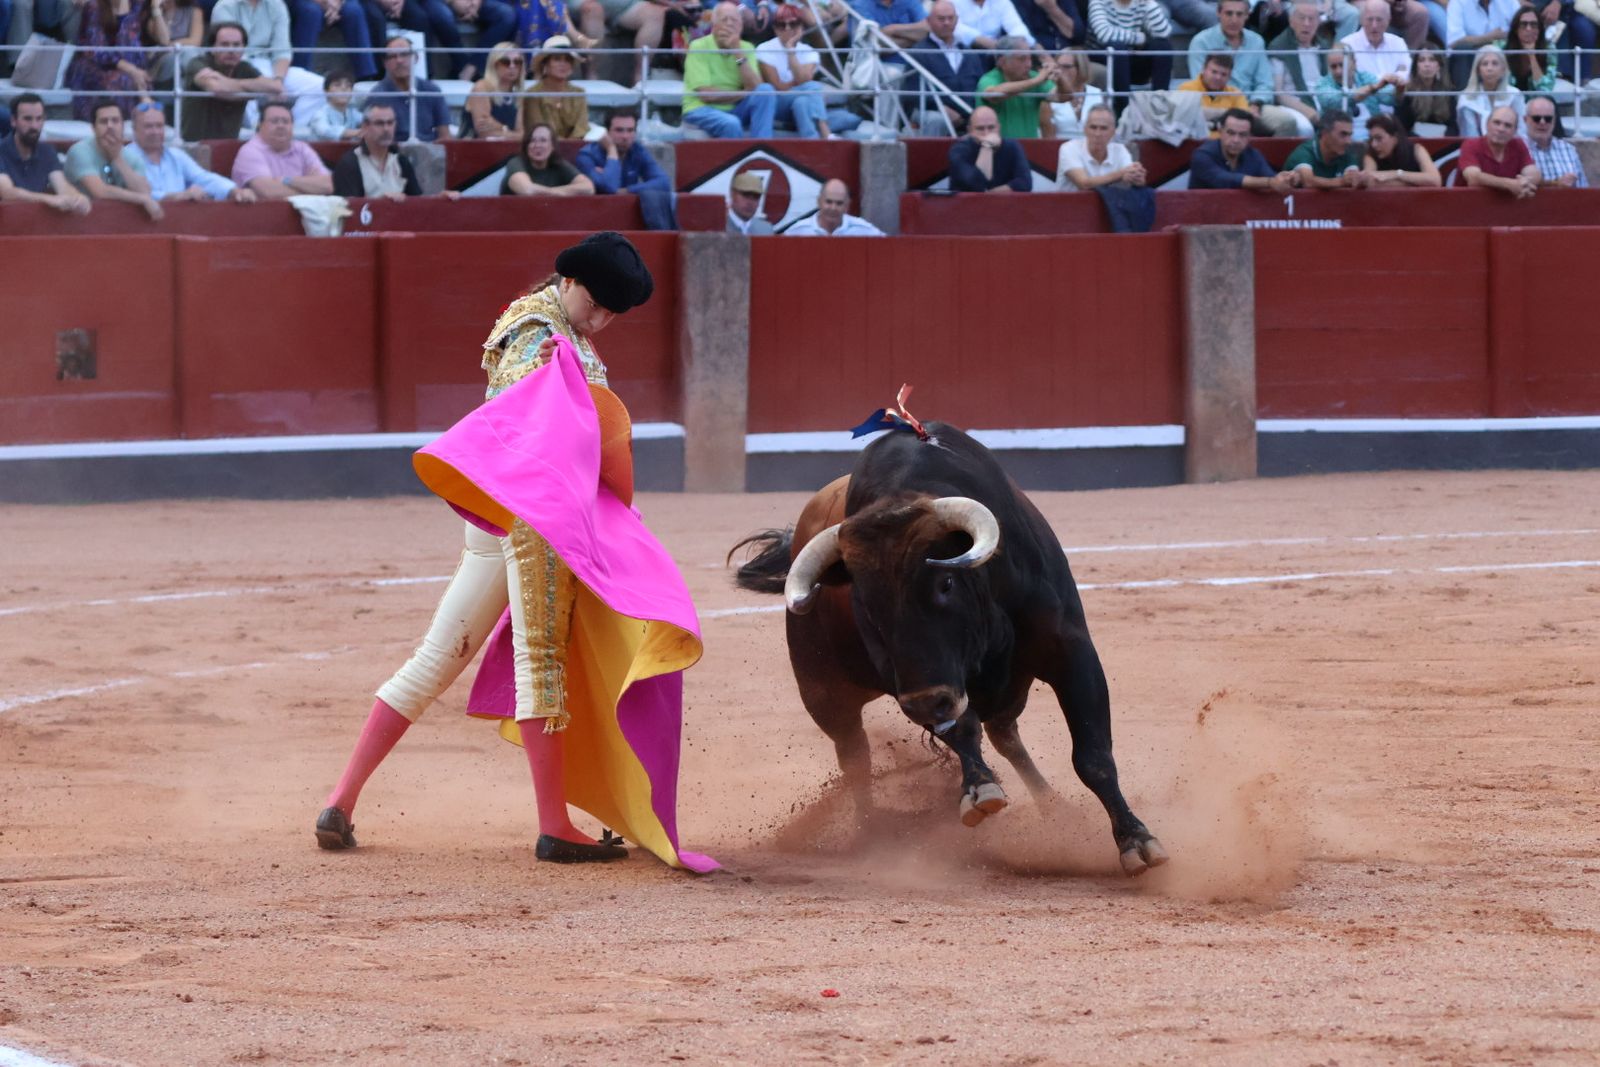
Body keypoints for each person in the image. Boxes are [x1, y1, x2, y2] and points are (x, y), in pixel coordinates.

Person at [315, 232, 716, 872]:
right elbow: (525, 409)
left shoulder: (553, 328)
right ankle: (554, 827)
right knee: (540, 661)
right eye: (596, 303)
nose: (601, 319)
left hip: (503, 519)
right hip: (535, 517)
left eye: (613, 313)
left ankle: (339, 801)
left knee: (437, 657)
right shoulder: (538, 332)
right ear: (568, 281)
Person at [1186, 0, 1299, 135]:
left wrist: (1255, 104)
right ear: (1218, 13)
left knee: (1286, 122)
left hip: (1252, 105)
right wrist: (1236, 109)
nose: (1234, 20)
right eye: (1229, 13)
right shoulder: (1201, 42)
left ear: (1247, 15)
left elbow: (1265, 83)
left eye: (1239, 14)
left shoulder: (1256, 41)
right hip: (1215, 106)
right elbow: (1201, 82)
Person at [757, 4, 861, 139]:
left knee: (802, 102)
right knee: (813, 87)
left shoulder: (809, 51)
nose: (787, 28)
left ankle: (812, 141)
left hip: (799, 103)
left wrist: (790, 51)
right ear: (775, 28)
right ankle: (825, 131)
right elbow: (779, 88)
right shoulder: (763, 49)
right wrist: (800, 85)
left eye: (793, 24)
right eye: (781, 25)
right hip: (776, 103)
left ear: (801, 27)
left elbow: (802, 80)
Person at [124, 98, 257, 201]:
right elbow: (136, 194)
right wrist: (177, 197)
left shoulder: (176, 155)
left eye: (159, 126)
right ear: (134, 129)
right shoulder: (125, 157)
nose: (155, 132)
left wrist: (234, 191)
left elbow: (204, 178)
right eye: (148, 126)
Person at [681, 2, 777, 138]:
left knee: (766, 90)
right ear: (714, 25)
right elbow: (707, 95)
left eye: (734, 20)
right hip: (701, 108)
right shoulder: (698, 46)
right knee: (731, 123)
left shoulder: (746, 47)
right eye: (724, 19)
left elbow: (756, 88)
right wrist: (744, 93)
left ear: (741, 26)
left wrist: (737, 52)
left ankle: (762, 146)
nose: (729, 24)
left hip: (735, 108)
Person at [179, 21, 282, 142]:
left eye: (236, 45)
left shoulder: (244, 67)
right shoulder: (197, 64)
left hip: (229, 145)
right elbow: (218, 89)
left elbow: (275, 87)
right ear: (212, 48)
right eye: (225, 44)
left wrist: (226, 81)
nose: (231, 50)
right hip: (195, 145)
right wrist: (249, 89)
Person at [64, 99, 163, 219]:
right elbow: (99, 191)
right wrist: (142, 199)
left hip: (119, 221)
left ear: (123, 126)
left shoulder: (131, 156)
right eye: (103, 121)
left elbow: (144, 191)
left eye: (115, 121)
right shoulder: (80, 151)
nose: (110, 126)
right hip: (79, 221)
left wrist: (117, 158)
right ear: (93, 128)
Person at [64, 0, 161, 121]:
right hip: (93, 64)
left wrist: (136, 72)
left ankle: (142, 121)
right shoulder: (94, 6)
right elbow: (96, 49)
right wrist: (131, 70)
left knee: (144, 80)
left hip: (128, 63)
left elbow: (134, 44)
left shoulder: (137, 5)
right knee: (121, 81)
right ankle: (119, 124)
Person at [0, 93, 92, 213]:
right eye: (27, 119)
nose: (34, 126)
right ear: (13, 121)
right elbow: (7, 192)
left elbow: (62, 185)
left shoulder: (47, 151)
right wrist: (48, 199)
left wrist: (77, 198)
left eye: (39, 119)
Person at [231, 98, 334, 198]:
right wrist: (311, 189)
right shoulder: (250, 151)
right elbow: (269, 192)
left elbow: (328, 185)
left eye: (286, 121)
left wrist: (287, 180)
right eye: (274, 121)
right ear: (260, 125)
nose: (281, 126)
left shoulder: (302, 148)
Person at [910, 0, 986, 134]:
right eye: (941, 19)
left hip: (969, 117)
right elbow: (912, 93)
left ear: (957, 20)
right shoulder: (918, 52)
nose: (946, 22)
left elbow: (980, 86)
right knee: (936, 119)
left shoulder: (969, 54)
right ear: (928, 21)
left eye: (950, 18)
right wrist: (942, 109)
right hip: (935, 114)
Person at [1086, 0, 1173, 112]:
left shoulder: (1142, 3)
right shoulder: (1099, 2)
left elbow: (1163, 33)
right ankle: (1124, 108)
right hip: (1105, 60)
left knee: (1162, 45)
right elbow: (1105, 35)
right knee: (1118, 48)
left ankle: (1159, 103)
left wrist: (1150, 3)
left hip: (1130, 61)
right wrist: (1140, 38)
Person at [368, 34, 452, 143]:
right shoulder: (377, 95)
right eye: (392, 56)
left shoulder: (432, 90)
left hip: (429, 149)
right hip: (393, 151)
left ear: (416, 58)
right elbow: (372, 138)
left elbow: (445, 136)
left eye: (404, 54)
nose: (399, 60)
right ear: (385, 63)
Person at [1189, 106, 1297, 189]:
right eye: (1230, 133)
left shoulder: (1253, 155)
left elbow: (1272, 178)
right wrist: (1269, 182)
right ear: (1220, 131)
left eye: (1243, 135)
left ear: (1250, 136)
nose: (1236, 140)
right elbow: (1224, 179)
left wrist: (1286, 179)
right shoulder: (1202, 155)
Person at [1267, 0, 1333, 138]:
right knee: (1305, 128)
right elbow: (1279, 94)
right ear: (1291, 21)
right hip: (1293, 104)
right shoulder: (1279, 47)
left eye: (1311, 19)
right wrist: (1309, 112)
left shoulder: (1324, 47)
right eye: (1302, 18)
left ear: (1318, 22)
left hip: (1323, 101)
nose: (1306, 24)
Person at [331, 102, 424, 198]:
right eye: (379, 123)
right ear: (365, 127)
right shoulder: (350, 163)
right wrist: (382, 202)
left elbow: (418, 201)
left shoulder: (401, 161)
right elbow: (349, 205)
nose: (386, 129)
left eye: (390, 123)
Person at [976, 35, 1058, 139]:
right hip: (996, 146)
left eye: (1030, 58)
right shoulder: (989, 79)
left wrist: (1059, 76)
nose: (1029, 64)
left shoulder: (1033, 76)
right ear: (1002, 61)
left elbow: (1062, 97)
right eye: (1022, 59)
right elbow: (994, 94)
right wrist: (1036, 81)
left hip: (1029, 147)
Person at [1313, 39, 1398, 132]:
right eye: (1333, 67)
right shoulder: (1322, 84)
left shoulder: (1365, 77)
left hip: (1371, 137)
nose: (1338, 71)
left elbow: (1391, 99)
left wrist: (1400, 87)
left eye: (1342, 65)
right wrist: (1372, 88)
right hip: (1337, 138)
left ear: (1354, 63)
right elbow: (1336, 101)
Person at [1056, 103, 1144, 189]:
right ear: (1085, 129)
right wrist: (1122, 173)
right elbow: (1083, 184)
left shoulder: (1120, 150)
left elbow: (1135, 178)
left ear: (1113, 132)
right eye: (1093, 127)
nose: (1097, 134)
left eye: (1103, 128)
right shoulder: (1069, 148)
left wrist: (1136, 176)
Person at [1460, 103, 1538, 196]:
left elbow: (1533, 172)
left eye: (1507, 125)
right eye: (1496, 123)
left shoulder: (1518, 144)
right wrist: (1509, 184)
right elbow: (1473, 177)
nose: (1501, 129)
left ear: (1515, 131)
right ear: (1487, 124)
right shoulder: (1471, 144)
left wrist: (1524, 183)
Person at [948, 104, 1031, 191]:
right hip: (968, 200)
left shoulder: (1012, 146)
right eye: (980, 128)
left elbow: (1025, 183)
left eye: (991, 127)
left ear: (998, 128)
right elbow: (976, 184)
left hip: (1002, 200)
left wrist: (992, 194)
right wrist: (987, 146)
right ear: (970, 130)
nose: (986, 133)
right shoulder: (959, 150)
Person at [1285, 106, 1371, 187]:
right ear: (1324, 133)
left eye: (1350, 135)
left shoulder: (1347, 151)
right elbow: (1308, 182)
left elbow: (1353, 179)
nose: (1348, 141)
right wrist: (1342, 181)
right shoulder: (1304, 152)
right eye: (1343, 134)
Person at [523, 34, 590, 139]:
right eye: (557, 59)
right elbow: (537, 127)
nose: (563, 64)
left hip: (575, 146)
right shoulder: (533, 94)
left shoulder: (578, 93)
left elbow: (582, 128)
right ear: (545, 64)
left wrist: (570, 144)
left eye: (568, 60)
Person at [502, 122, 594, 195]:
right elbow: (527, 190)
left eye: (543, 140)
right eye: (532, 141)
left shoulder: (559, 164)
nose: (537, 145)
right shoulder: (516, 163)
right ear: (526, 146)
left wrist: (552, 192)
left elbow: (588, 188)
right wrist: (557, 192)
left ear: (553, 146)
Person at [461, 40, 525, 139]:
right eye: (505, 62)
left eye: (517, 62)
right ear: (494, 64)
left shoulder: (519, 95)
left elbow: (522, 136)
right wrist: (509, 131)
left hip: (507, 148)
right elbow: (485, 133)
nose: (512, 66)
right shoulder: (481, 88)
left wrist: (500, 128)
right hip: (474, 146)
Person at [1458, 44, 1526, 136]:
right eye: (1485, 64)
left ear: (1503, 69)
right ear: (1478, 70)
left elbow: (1521, 131)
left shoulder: (1515, 95)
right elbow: (1470, 135)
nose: (1489, 69)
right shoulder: (1466, 98)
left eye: (1495, 63)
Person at [1448, 0, 1518, 87]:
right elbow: (1454, 41)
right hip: (1472, 53)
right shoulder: (1458, 2)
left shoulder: (1510, 2)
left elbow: (1520, 28)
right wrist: (1489, 37)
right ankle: (1465, 94)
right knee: (1462, 50)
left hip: (1503, 49)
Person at [1179, 52, 1252, 133]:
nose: (1218, 77)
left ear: (1230, 76)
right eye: (1214, 72)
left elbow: (1243, 120)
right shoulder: (1186, 88)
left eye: (1223, 74)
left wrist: (1206, 114)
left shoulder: (1236, 94)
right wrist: (1227, 114)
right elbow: (1185, 116)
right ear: (1203, 69)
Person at [1522, 93, 1585, 186]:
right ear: (1525, 119)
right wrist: (1556, 184)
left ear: (1554, 120)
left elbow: (1583, 188)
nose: (1542, 122)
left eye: (1548, 119)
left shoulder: (1568, 149)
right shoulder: (1517, 148)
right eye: (1536, 118)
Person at [1361, 111, 1441, 184]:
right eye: (1371, 139)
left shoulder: (1416, 150)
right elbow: (1370, 182)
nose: (1373, 144)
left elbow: (1435, 180)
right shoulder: (1370, 155)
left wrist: (1396, 174)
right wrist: (1416, 182)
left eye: (1379, 138)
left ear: (1395, 137)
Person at [1340, 0, 1409, 84]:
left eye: (1379, 20)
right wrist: (1386, 79)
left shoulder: (1398, 43)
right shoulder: (1347, 45)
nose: (1374, 25)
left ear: (1388, 20)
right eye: (1370, 19)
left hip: (1395, 90)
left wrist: (1396, 78)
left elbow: (1406, 71)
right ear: (1361, 20)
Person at [785, 177, 885, 234]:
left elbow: (887, 248)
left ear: (847, 206)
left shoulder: (864, 230)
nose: (833, 208)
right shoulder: (798, 231)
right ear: (819, 202)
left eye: (839, 203)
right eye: (829, 202)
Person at [1045, 47, 1106, 138]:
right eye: (1058, 67)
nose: (1060, 71)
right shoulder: (1050, 96)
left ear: (1081, 68)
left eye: (1067, 67)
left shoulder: (1097, 94)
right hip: (1058, 145)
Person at [1395, 47, 1456, 134]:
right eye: (1421, 60)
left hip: (1443, 140)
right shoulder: (1408, 92)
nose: (1427, 65)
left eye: (1432, 60)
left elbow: (1454, 128)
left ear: (1439, 66)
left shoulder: (1448, 92)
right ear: (1416, 66)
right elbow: (1401, 129)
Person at [1500, 4, 1558, 93]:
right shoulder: (1502, 47)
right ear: (1516, 29)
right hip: (1509, 98)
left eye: (1533, 25)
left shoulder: (1549, 48)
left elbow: (1545, 89)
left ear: (1539, 29)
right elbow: (1501, 86)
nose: (1528, 29)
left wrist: (1532, 55)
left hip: (1537, 99)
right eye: (1524, 24)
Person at [308, 67, 363, 140]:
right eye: (337, 85)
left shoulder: (352, 112)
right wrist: (357, 132)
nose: (344, 88)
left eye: (348, 85)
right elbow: (324, 130)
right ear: (326, 91)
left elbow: (367, 120)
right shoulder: (320, 114)